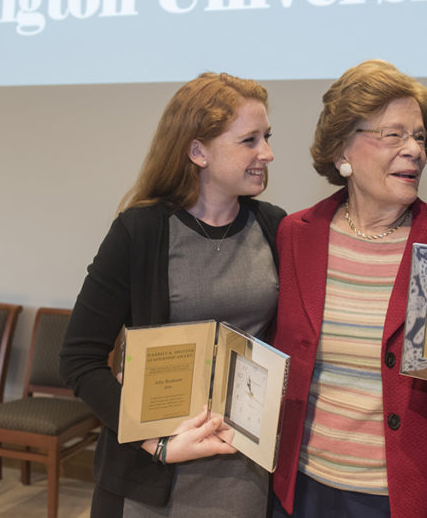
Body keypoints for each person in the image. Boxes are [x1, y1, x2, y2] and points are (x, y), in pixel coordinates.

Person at [60, 72, 287, 518]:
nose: (267, 153)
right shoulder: (140, 231)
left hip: (245, 475)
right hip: (151, 475)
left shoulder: (275, 227)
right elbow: (78, 360)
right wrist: (158, 441)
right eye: (249, 140)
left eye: (267, 137)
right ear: (197, 150)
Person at [272, 60, 427, 518]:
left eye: (421, 137)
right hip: (301, 488)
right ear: (342, 152)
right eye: (394, 135)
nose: (415, 150)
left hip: (397, 497)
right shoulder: (296, 234)